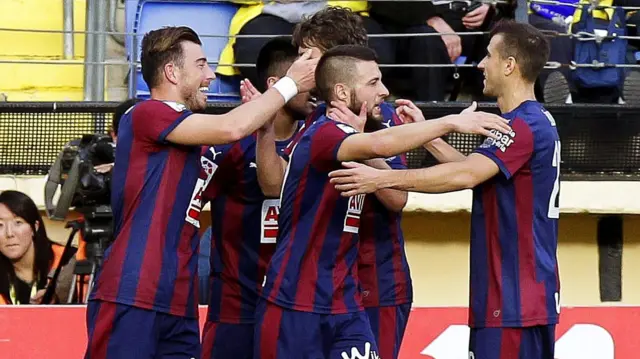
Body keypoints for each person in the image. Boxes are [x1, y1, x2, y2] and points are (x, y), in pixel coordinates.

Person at [252, 44, 511, 358]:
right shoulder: (322, 134)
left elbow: (379, 160)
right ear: (342, 92)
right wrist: (450, 122)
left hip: (345, 303)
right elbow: (382, 143)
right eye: (373, 83)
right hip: (295, 302)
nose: (384, 91)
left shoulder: (350, 137)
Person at [328, 21, 561, 359]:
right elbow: (476, 172)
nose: (480, 64)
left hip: (512, 301)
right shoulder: (535, 121)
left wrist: (380, 178)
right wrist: (431, 135)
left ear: (509, 65)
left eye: (488, 56)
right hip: (526, 296)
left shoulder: (522, 125)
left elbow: (464, 175)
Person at [83, 25, 317, 359]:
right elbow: (231, 127)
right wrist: (289, 83)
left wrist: (265, 124)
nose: (210, 74)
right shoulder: (146, 113)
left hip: (180, 299)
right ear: (171, 72)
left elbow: (258, 165)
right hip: (133, 290)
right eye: (201, 64)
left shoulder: (195, 140)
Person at [198, 37, 313, 359]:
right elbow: (185, 209)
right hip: (237, 309)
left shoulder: (318, 140)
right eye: (307, 80)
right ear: (278, 84)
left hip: (297, 307)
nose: (315, 88)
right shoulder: (227, 143)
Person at [0, 190, 76, 305]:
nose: (9, 233)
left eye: (18, 223)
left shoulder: (67, 261)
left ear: (35, 227)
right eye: (0, 225)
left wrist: (60, 299)